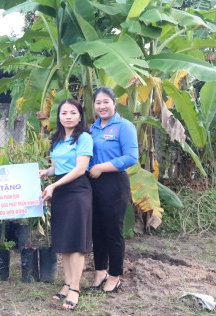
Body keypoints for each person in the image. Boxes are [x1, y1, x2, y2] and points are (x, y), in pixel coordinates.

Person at [39, 98, 93, 310]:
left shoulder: (84, 138)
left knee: (77, 241)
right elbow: (57, 167)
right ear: (59, 117)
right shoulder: (57, 139)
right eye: (64, 113)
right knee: (64, 240)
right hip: (60, 190)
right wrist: (46, 173)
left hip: (78, 190)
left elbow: (80, 169)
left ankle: (75, 288)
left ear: (80, 116)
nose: (68, 117)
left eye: (72, 113)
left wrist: (53, 186)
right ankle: (67, 283)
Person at [88, 87, 138, 293]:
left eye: (106, 101)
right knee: (96, 230)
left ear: (114, 103)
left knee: (112, 231)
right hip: (93, 183)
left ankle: (115, 275)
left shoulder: (123, 126)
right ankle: (100, 271)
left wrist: (101, 167)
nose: (102, 106)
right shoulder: (93, 128)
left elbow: (131, 157)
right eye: (98, 102)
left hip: (114, 182)